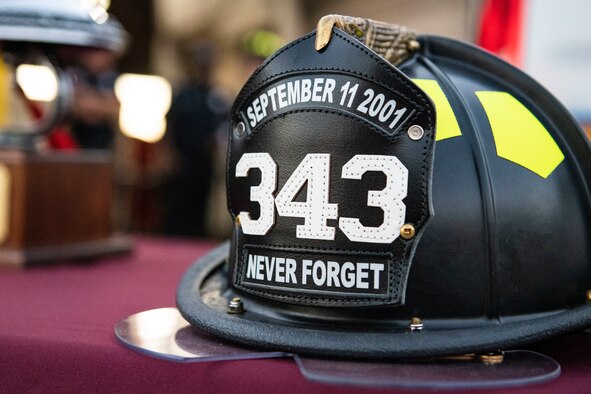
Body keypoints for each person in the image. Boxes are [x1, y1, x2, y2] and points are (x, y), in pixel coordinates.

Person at [162, 42, 228, 237]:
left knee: (200, 205)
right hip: (183, 160)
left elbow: (224, 125)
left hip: (204, 161)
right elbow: (170, 123)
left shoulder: (217, 96)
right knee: (178, 204)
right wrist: (168, 152)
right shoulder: (183, 94)